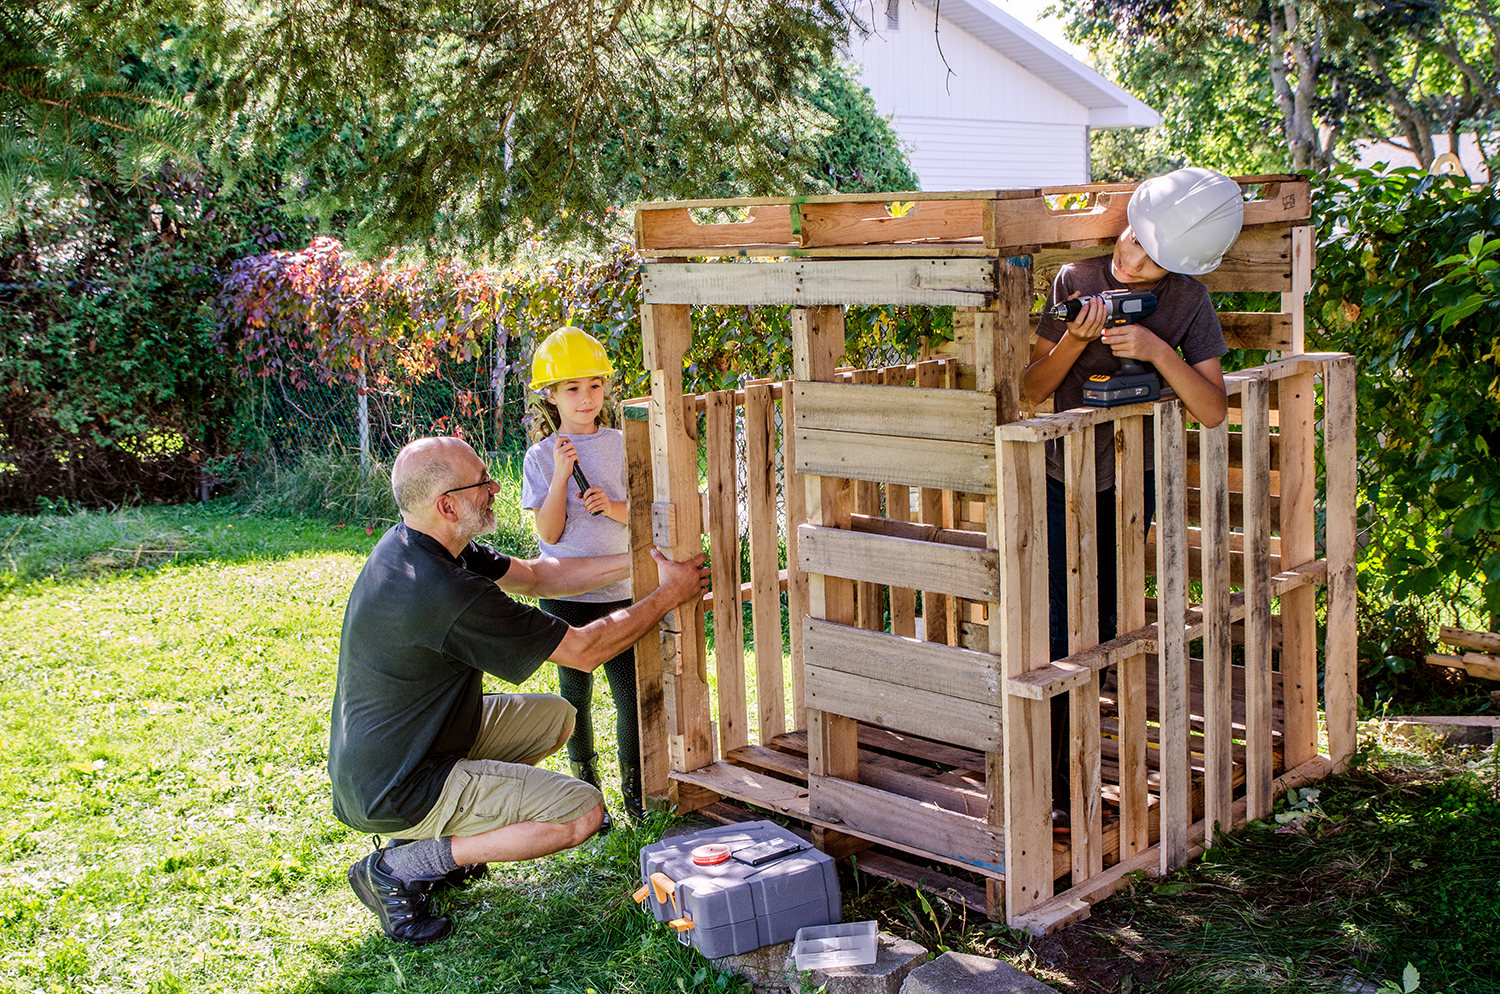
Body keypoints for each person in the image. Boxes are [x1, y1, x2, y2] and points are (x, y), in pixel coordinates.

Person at [328, 434, 708, 944]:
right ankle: (402, 864)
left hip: (398, 754)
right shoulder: (443, 591)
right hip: (400, 785)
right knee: (581, 813)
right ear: (447, 504)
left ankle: (445, 833)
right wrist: (668, 595)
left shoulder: (421, 545)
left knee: (555, 716)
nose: (495, 487)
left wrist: (643, 561)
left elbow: (536, 576)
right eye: (482, 481)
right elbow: (584, 650)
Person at [1022, 166, 1243, 828]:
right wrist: (1075, 341)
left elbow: (1211, 409)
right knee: (1059, 630)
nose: (1130, 255)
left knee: (1115, 624)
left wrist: (1154, 350)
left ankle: (1112, 760)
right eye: (1130, 237)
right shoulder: (1075, 280)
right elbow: (1033, 388)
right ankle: (1061, 794)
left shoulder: (1187, 300)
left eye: (1148, 255)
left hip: (1130, 480)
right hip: (1062, 476)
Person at [520, 327, 644, 821]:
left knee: (630, 696)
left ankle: (636, 791)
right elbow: (549, 533)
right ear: (550, 396)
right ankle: (587, 786)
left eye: (594, 385)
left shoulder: (622, 445)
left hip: (622, 593)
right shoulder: (540, 456)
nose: (586, 398)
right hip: (567, 597)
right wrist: (561, 477)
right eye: (572, 388)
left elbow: (649, 513)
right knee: (575, 698)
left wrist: (613, 508)